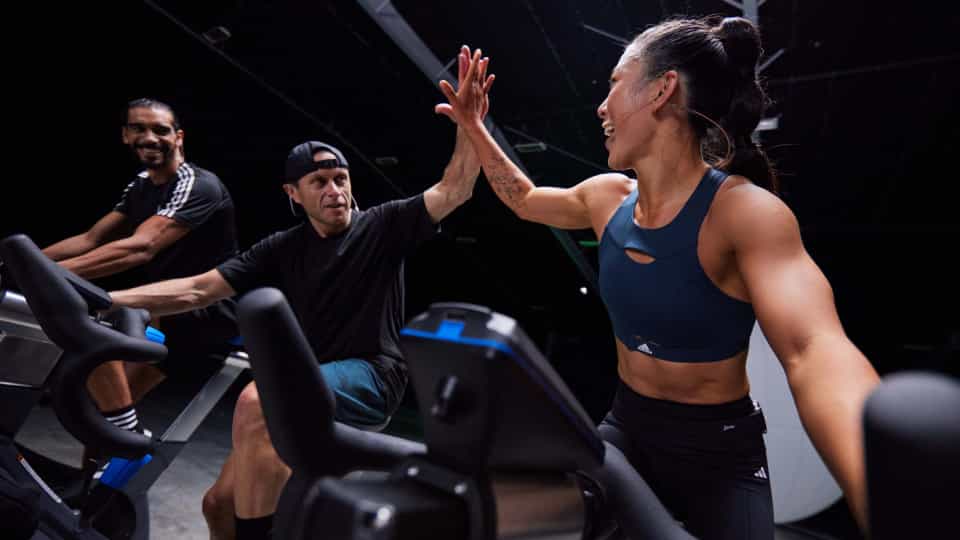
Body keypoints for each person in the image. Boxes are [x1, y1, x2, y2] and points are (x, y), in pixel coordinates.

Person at [436, 20, 879, 539]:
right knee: (522, 524)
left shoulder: (745, 212)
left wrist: (891, 488)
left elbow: (813, 349)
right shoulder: (604, 198)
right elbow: (523, 199)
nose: (601, 107)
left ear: (662, 89)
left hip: (721, 452)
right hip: (628, 428)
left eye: (615, 83)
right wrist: (474, 125)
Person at [107, 51, 494, 540]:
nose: (334, 190)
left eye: (340, 179)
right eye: (319, 182)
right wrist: (105, 302)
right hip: (308, 381)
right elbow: (198, 289)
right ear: (294, 194)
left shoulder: (385, 225)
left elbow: (456, 186)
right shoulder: (282, 247)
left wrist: (470, 125)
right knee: (218, 505)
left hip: (372, 374)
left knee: (259, 399)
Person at [42, 98, 239, 438]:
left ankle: (125, 436)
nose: (150, 137)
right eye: (139, 129)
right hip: (165, 304)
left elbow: (141, 247)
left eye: (160, 130)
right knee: (103, 411)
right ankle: (105, 470)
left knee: (93, 342)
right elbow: (92, 239)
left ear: (178, 137)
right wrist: (27, 261)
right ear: (125, 135)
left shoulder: (197, 184)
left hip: (205, 307)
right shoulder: (142, 184)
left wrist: (44, 276)